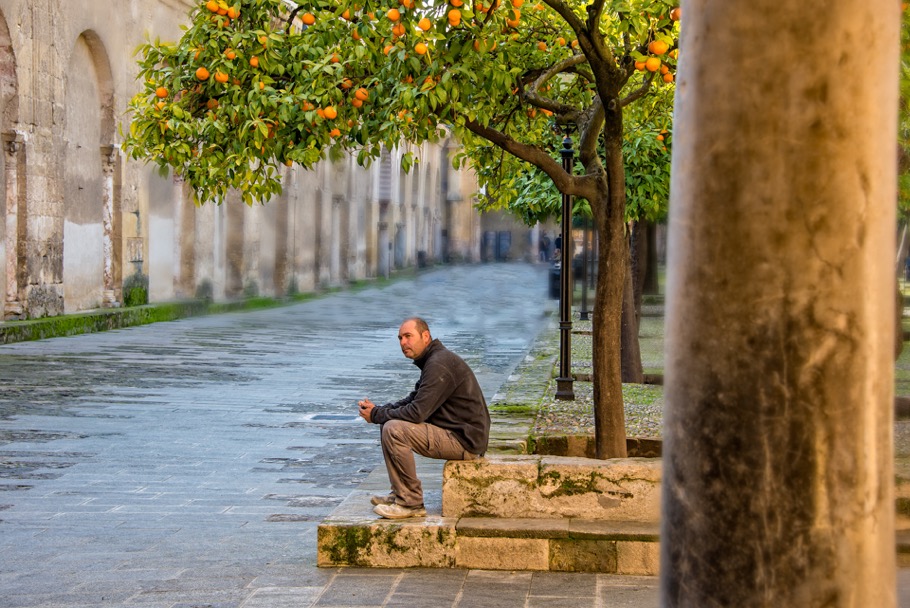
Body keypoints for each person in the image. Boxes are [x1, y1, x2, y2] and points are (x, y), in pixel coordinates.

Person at [358, 317, 490, 519]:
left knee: (394, 429)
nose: (403, 343)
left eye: (408, 336)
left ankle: (411, 503)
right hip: (457, 434)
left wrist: (377, 415)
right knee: (388, 423)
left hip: (464, 440)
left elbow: (417, 412)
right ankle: (399, 493)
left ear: (425, 336)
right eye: (400, 338)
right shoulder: (433, 360)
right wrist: (379, 410)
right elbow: (413, 399)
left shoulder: (439, 363)